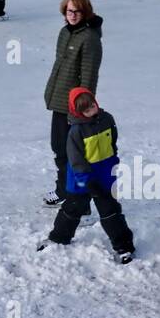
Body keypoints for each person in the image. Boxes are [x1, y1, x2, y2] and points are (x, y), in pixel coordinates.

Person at [40, 87, 136, 263]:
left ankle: (124, 247)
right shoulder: (76, 131)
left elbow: (112, 141)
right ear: (77, 111)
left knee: (111, 211)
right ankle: (58, 238)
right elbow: (75, 159)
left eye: (92, 106)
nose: (91, 111)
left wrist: (113, 162)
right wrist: (87, 181)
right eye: (86, 110)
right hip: (82, 179)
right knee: (72, 209)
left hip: (104, 176)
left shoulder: (107, 119)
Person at [42, 0, 103, 204]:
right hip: (59, 101)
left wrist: (81, 108)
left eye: (77, 11)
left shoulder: (89, 38)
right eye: (69, 11)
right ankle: (63, 190)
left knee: (74, 155)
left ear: (84, 12)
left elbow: (89, 75)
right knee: (59, 149)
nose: (73, 15)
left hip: (74, 106)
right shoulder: (65, 32)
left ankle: (79, 201)